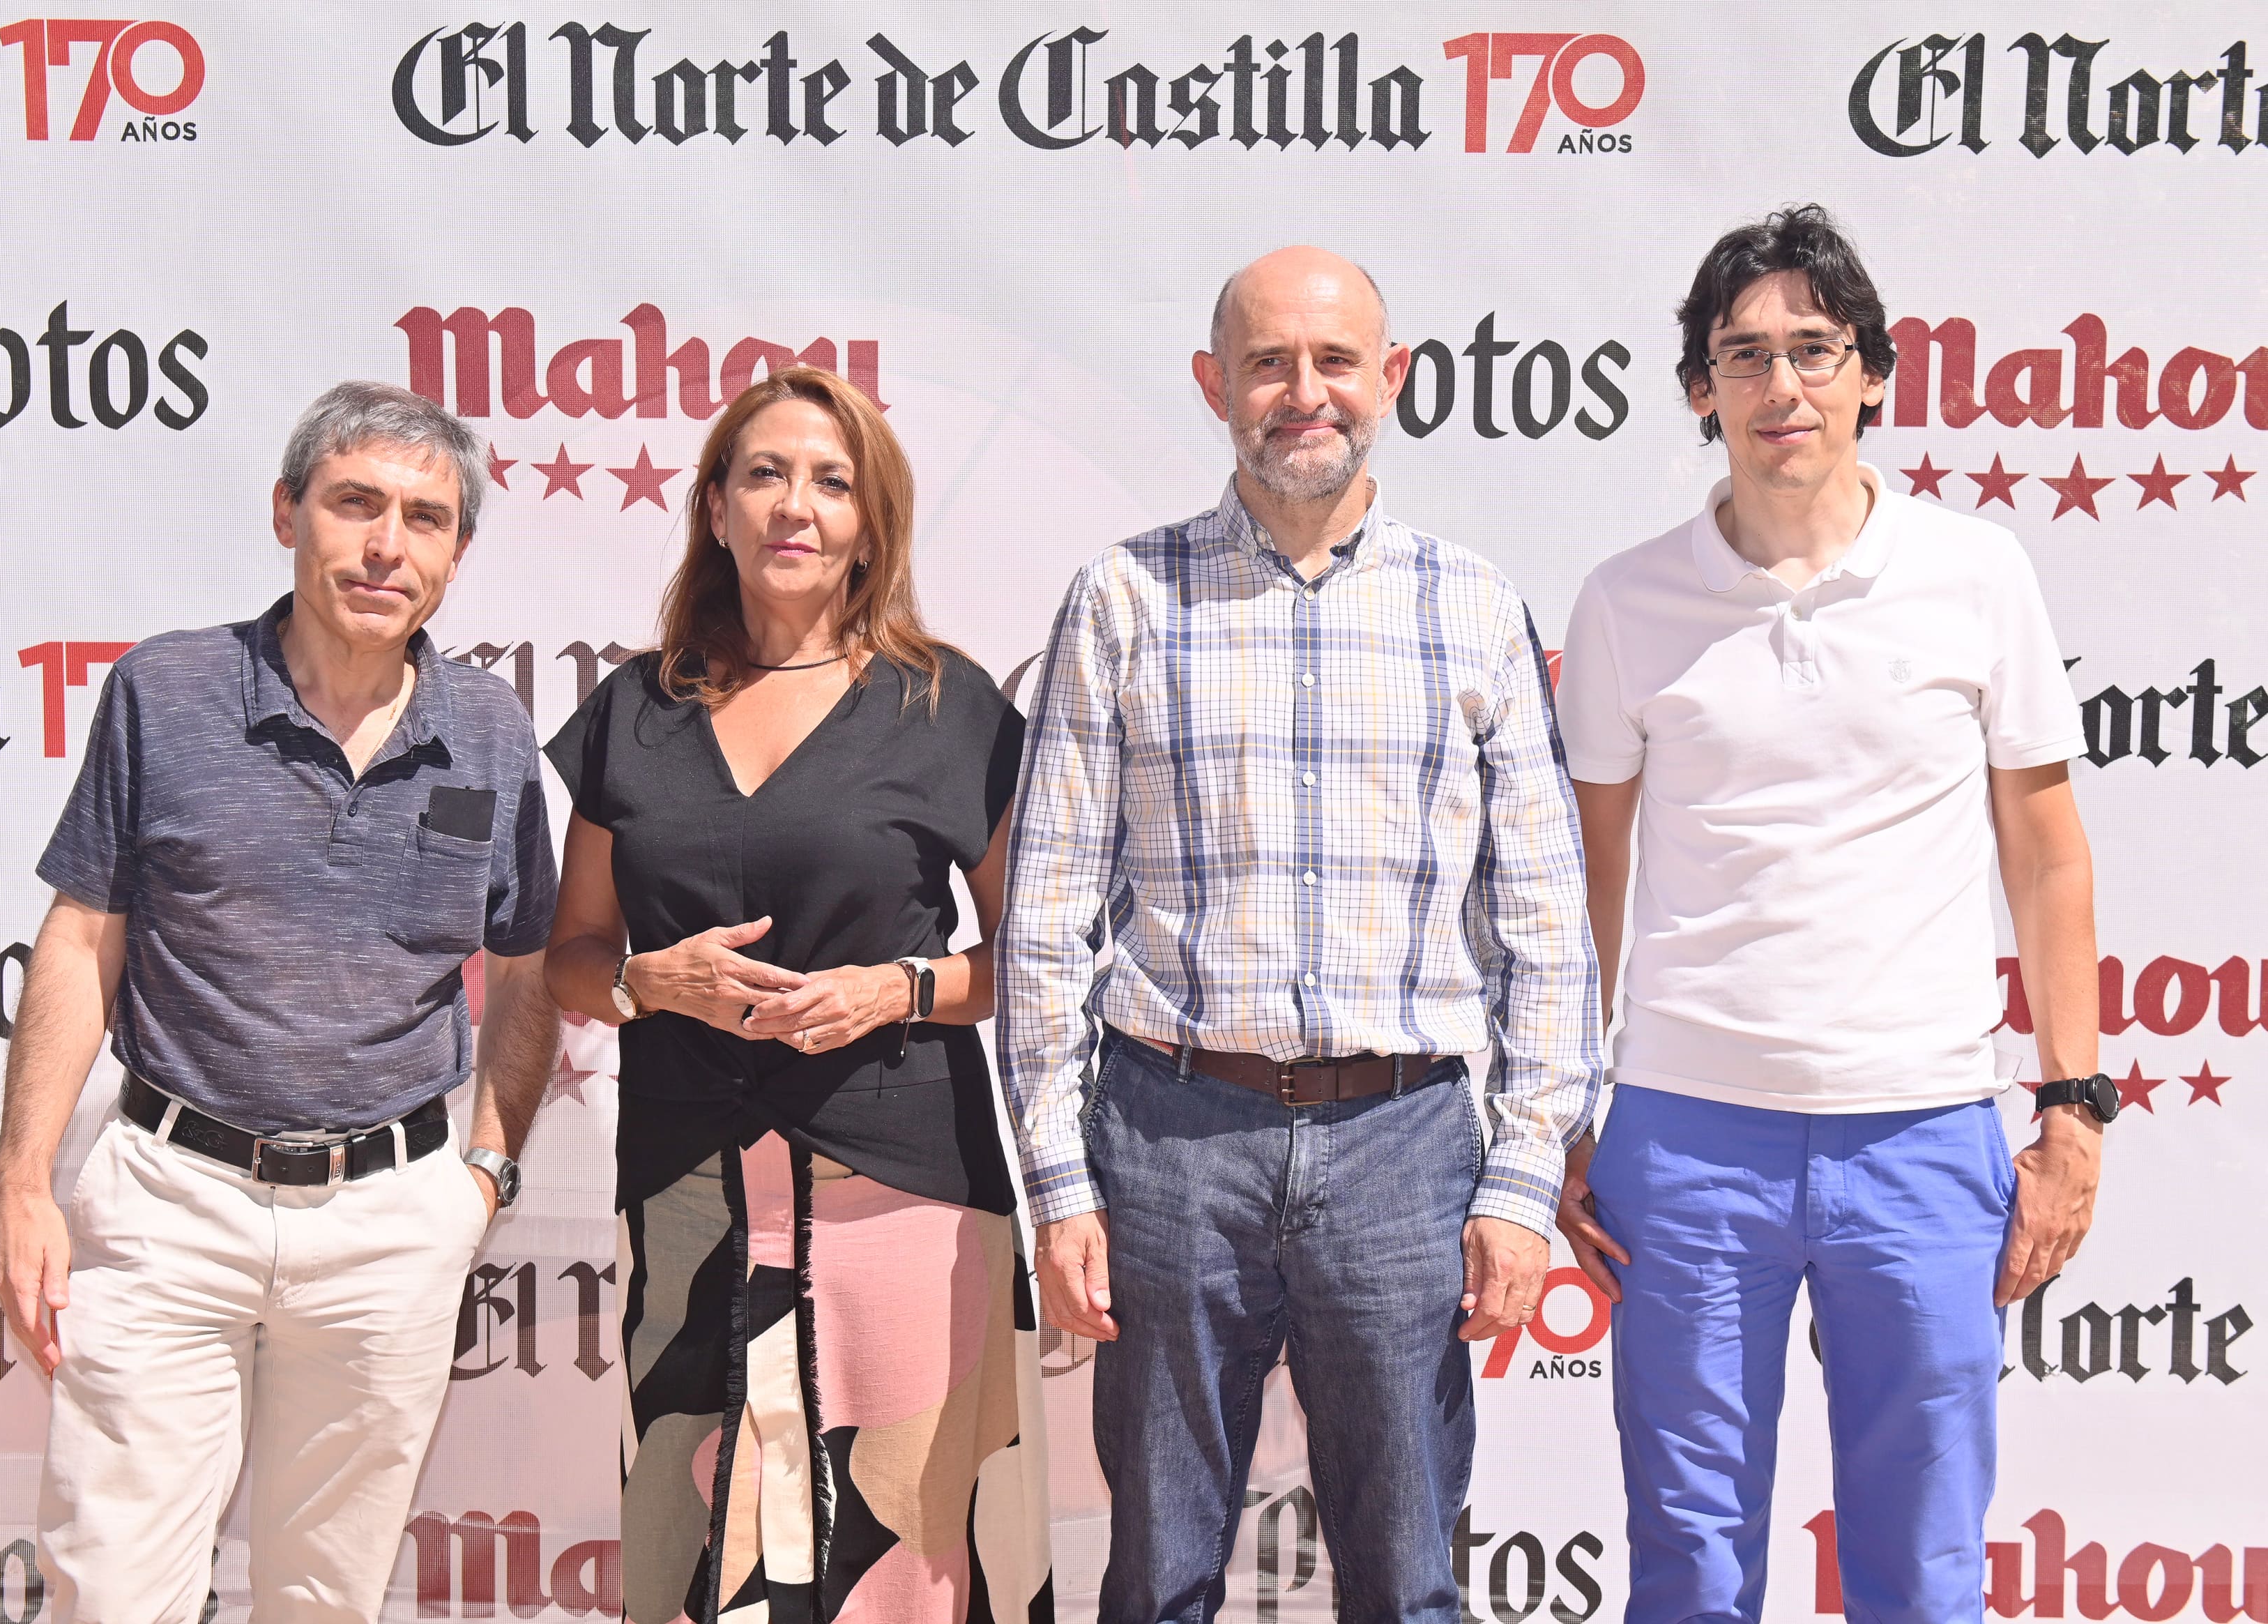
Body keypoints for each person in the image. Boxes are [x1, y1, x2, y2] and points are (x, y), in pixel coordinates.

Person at [996, 246, 1604, 1623]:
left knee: (1406, 1578)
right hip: (1167, 1139)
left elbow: (1546, 925)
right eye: (1268, 361)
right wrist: (1058, 1176)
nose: (1302, 391)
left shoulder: (1471, 608)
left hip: (1404, 1146)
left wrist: (1519, 1178)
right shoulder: (1125, 599)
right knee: (1154, 1575)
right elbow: (1045, 918)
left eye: (1335, 361)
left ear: (1390, 380)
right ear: (1215, 384)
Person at [1553, 205, 2107, 1624]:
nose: (1780, 386)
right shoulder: (1626, 601)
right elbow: (1587, 883)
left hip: (1921, 1133)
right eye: (1743, 356)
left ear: (1871, 373)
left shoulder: (1975, 577)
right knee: (1686, 1565)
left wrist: (2073, 1105)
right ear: (1697, 391)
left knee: (1921, 1569)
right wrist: (1553, 1115)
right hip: (1683, 1137)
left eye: (1813, 349)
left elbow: (2046, 855)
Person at [0, 381, 565, 1618]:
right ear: (286, 512)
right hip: (169, 1205)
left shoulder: (495, 735)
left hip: (392, 1222)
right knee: (111, 1585)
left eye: (424, 518)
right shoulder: (168, 692)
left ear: (456, 554)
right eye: (354, 503)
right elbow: (83, 936)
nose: (385, 545)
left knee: (327, 1595)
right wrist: (23, 1180)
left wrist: (485, 1177)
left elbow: (522, 971)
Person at [542, 365, 1052, 1623]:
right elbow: (569, 954)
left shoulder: (948, 705)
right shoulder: (634, 711)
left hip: (906, 1189)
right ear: (713, 505)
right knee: (692, 1542)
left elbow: (1033, 956)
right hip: (687, 1193)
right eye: (764, 474)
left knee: (912, 1554)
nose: (796, 507)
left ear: (872, 523)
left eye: (833, 483)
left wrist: (899, 987)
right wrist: (642, 983)